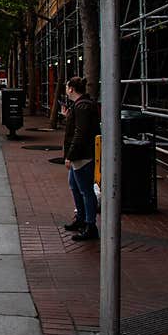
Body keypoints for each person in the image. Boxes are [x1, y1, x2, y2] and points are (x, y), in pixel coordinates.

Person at [62, 76, 102, 241]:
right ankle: (82, 219)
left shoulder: (82, 106)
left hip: (82, 155)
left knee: (85, 190)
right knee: (75, 185)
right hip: (82, 154)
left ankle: (90, 225)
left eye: (66, 87)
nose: (66, 90)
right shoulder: (80, 105)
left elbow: (80, 133)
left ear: (71, 88)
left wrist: (70, 156)